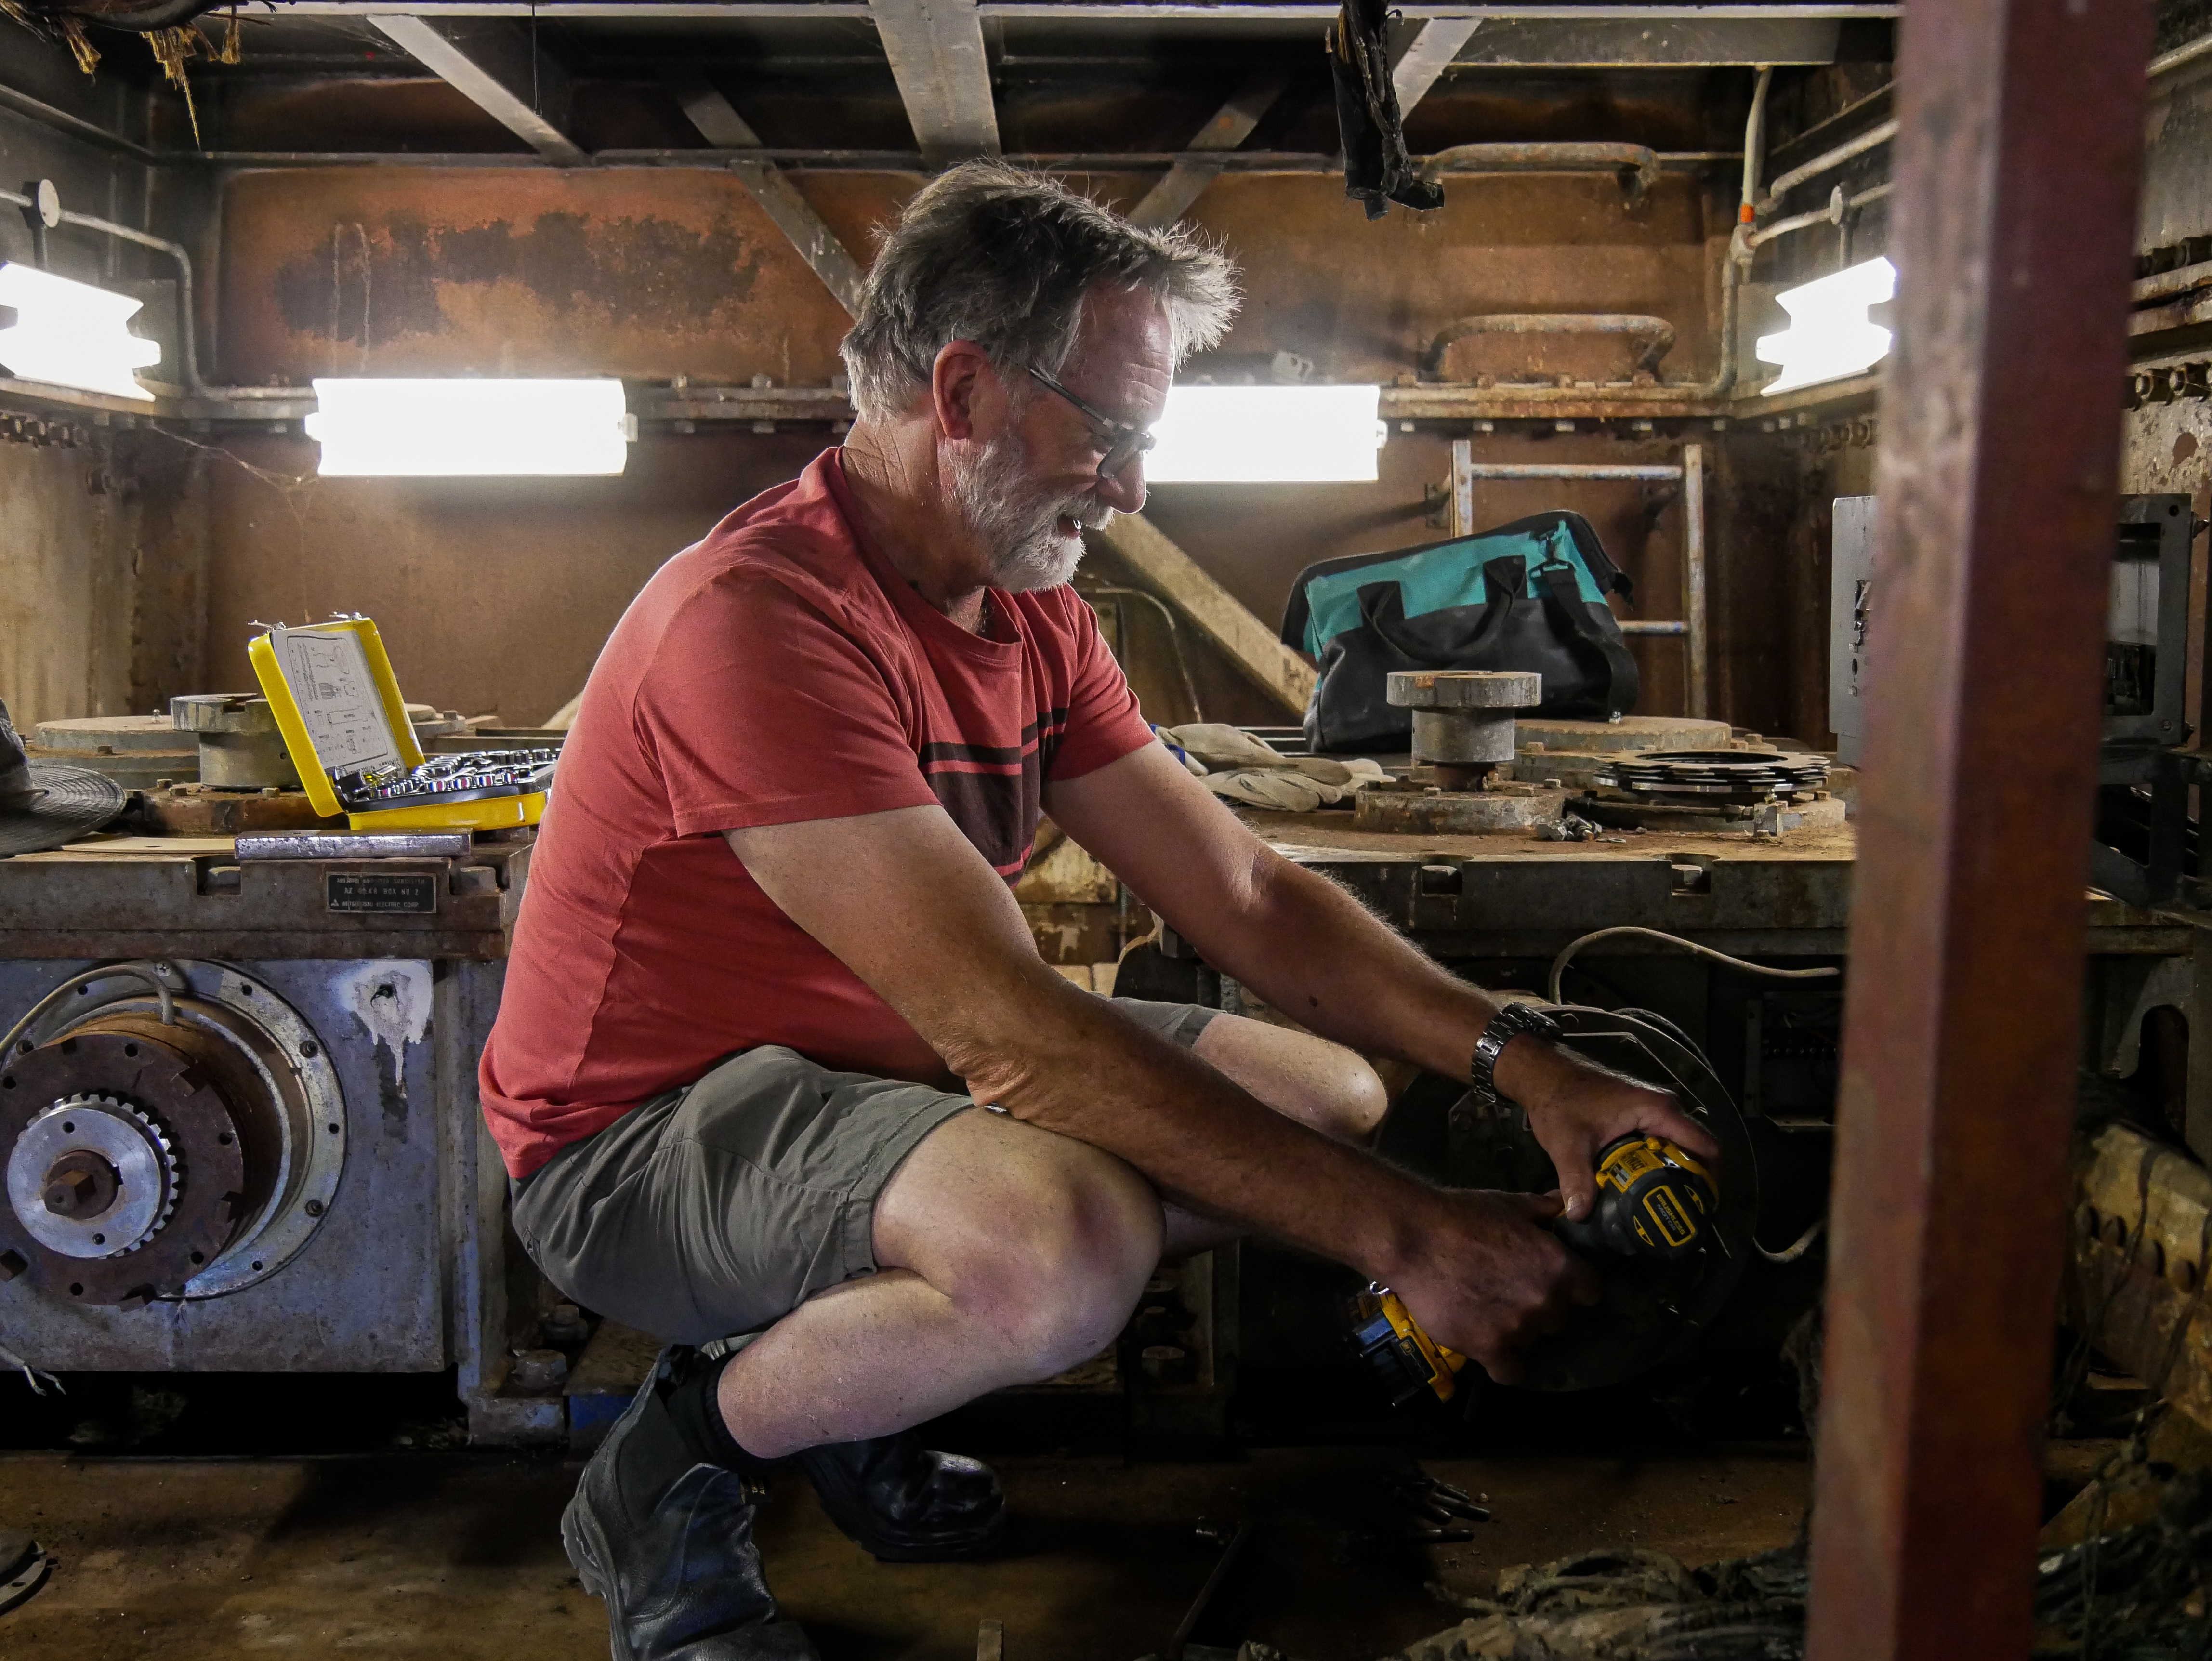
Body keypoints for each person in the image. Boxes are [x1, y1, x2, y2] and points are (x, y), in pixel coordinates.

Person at [479, 160, 1715, 1661]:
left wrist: (1534, 1064)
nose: (1132, 488)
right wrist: (1417, 1241)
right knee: (1059, 1255)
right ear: (964, 389)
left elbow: (1250, 891)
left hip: (874, 1086)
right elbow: (1015, 1039)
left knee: (1322, 1092)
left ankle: (858, 1381)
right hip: (639, 1148)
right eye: (1111, 432)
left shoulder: (1026, 611)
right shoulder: (760, 621)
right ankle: (666, 1474)